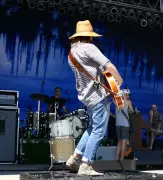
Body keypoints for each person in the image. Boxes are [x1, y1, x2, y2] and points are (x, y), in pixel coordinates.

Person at [65, 20, 123, 175]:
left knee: (92, 128)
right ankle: (86, 164)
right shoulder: (89, 48)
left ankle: (75, 157)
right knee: (98, 131)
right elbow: (108, 65)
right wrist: (119, 80)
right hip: (98, 96)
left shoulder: (71, 54)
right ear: (89, 36)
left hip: (86, 97)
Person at [115, 87, 134, 160]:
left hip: (118, 124)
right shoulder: (128, 102)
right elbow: (132, 111)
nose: (128, 96)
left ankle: (116, 158)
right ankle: (122, 158)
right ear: (125, 94)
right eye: (127, 94)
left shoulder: (117, 101)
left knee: (119, 141)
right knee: (124, 141)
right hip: (125, 124)